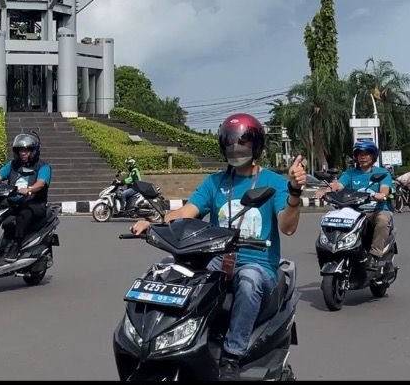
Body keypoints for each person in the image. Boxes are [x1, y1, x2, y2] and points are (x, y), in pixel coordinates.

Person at [130, 113, 304, 380]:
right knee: (169, 271)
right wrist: (153, 223)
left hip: (257, 264)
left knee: (248, 281)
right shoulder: (215, 183)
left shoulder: (274, 183)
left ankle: (232, 356)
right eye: (231, 144)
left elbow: (288, 226)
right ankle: (167, 341)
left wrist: (294, 193)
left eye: (242, 144)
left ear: (256, 146)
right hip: (217, 261)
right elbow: (187, 212)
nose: (236, 149)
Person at [0, 132, 52, 260]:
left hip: (34, 203)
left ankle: (16, 246)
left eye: (27, 150)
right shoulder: (13, 165)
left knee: (23, 214)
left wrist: (29, 189)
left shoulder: (43, 167)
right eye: (20, 150)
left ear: (34, 151)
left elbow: (40, 184)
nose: (23, 153)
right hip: (13, 201)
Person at [327, 139, 394, 271]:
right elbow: (339, 186)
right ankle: (335, 250)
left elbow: (385, 188)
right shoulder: (350, 173)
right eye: (360, 154)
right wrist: (328, 189)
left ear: (373, 156)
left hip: (376, 210)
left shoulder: (382, 173)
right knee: (332, 219)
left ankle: (375, 255)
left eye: (366, 154)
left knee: (383, 220)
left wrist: (381, 194)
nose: (362, 157)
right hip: (354, 212)